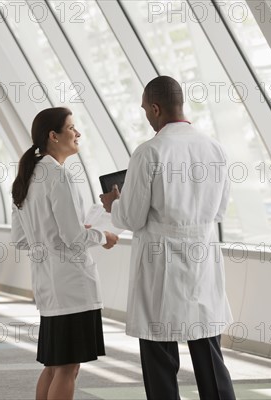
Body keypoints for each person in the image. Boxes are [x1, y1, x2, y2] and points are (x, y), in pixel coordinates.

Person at [100, 76, 236, 399]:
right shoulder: (215, 148)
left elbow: (131, 217)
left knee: (160, 361)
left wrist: (113, 204)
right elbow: (219, 212)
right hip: (202, 263)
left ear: (156, 108)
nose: (146, 114)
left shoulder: (149, 152)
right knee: (210, 359)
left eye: (145, 108)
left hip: (160, 268)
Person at [11, 107, 119, 400]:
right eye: (71, 128)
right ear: (53, 136)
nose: (77, 133)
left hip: (48, 284)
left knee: (54, 366)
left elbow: (21, 240)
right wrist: (102, 235)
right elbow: (72, 237)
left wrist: (49, 239)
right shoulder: (58, 176)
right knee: (68, 368)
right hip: (72, 286)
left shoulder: (27, 178)